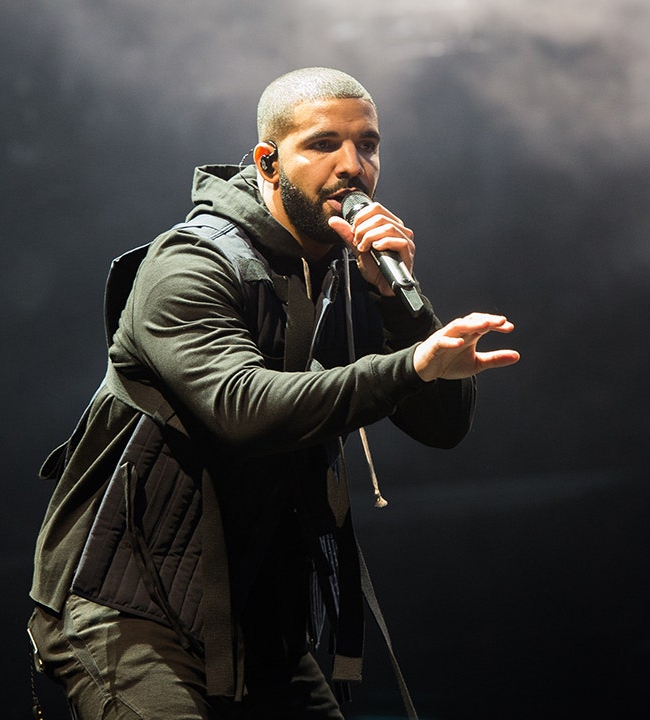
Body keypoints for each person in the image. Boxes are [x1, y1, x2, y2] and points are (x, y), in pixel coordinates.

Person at [27, 66, 519, 719]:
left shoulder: (342, 276)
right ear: (268, 161)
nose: (352, 166)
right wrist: (411, 365)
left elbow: (442, 426)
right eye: (323, 144)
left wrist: (399, 305)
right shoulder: (190, 264)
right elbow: (244, 409)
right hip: (131, 609)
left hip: (258, 624)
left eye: (367, 145)